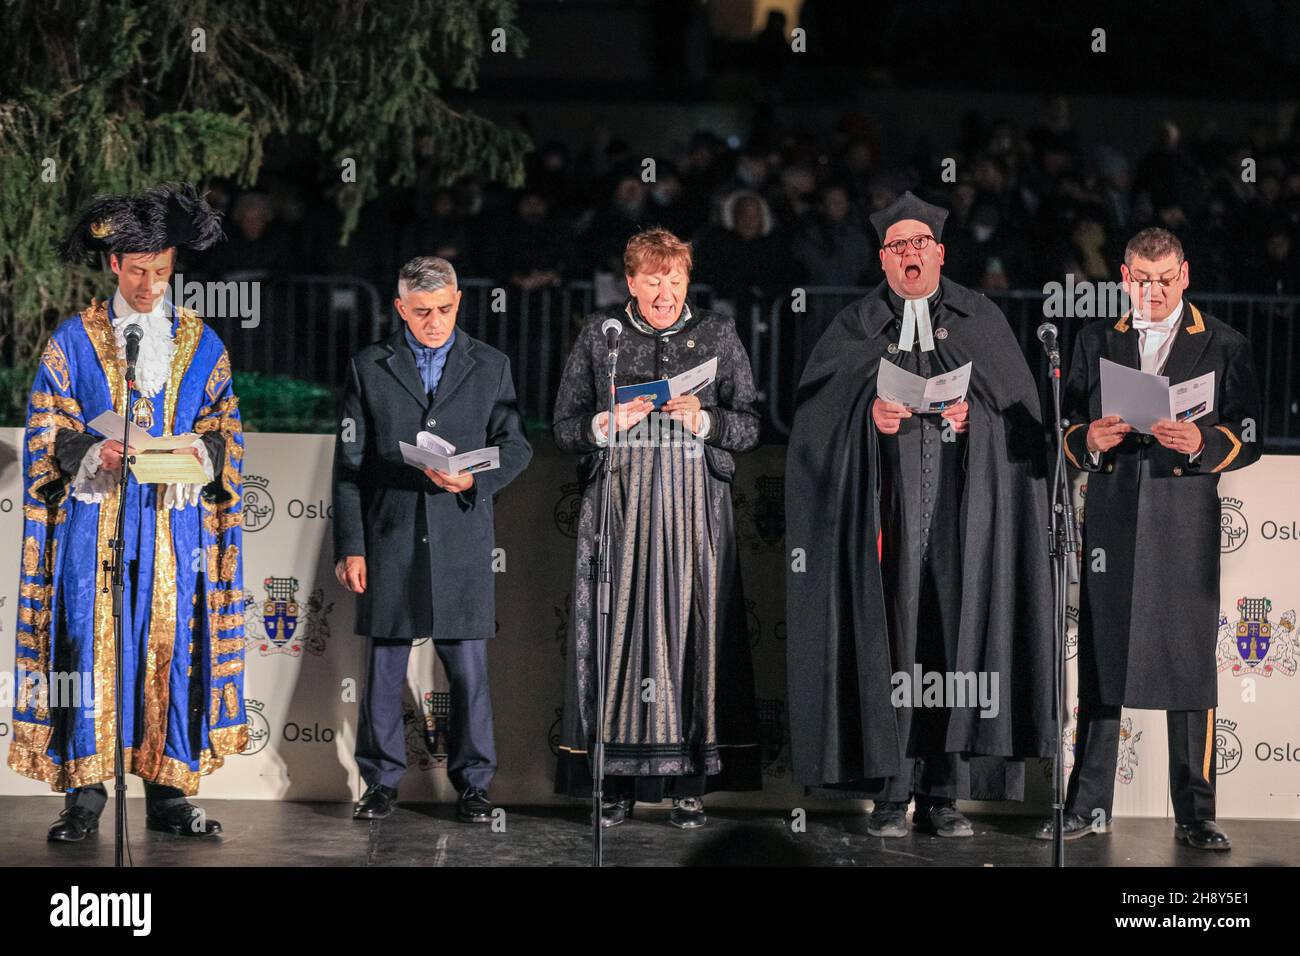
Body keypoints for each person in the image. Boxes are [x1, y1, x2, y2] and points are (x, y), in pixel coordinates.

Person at [785, 191, 1056, 838]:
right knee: (892, 645)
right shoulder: (856, 324)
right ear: (882, 258)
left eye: (920, 244)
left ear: (941, 253)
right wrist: (865, 416)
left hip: (963, 516)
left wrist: (978, 418)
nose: (911, 255)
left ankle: (943, 792)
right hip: (885, 517)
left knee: (952, 643)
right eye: (898, 246)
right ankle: (890, 788)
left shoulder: (979, 316)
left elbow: (1023, 421)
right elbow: (812, 422)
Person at [11, 182, 245, 841]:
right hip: (97, 522)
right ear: (114, 265)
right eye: (139, 272)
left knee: (168, 650)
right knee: (89, 649)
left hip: (171, 525)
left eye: (163, 272)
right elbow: (43, 433)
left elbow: (227, 428)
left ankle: (169, 796)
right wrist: (92, 448)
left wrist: (205, 449)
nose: (150, 286)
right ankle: (84, 798)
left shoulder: (202, 343)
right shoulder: (72, 341)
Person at [1036, 227, 1262, 851]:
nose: (1153, 292)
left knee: (1189, 665)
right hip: (1112, 508)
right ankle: (1088, 806)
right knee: (1105, 660)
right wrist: (1087, 439)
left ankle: (1195, 812)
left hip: (1184, 511)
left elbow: (1249, 434)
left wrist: (1202, 444)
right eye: (1141, 279)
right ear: (1125, 278)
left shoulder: (1224, 343)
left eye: (1164, 281)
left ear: (1184, 275)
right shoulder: (1095, 338)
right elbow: (1061, 425)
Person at [552, 227, 761, 828]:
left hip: (693, 507)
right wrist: (603, 423)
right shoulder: (603, 333)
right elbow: (563, 426)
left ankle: (688, 784)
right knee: (620, 637)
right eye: (652, 280)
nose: (664, 291)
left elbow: (750, 427)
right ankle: (615, 784)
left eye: (674, 279)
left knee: (692, 636)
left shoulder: (716, 333)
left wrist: (706, 419)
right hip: (619, 505)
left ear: (687, 281)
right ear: (631, 283)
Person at [333, 256, 531, 824]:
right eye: (422, 312)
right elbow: (349, 466)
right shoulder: (369, 365)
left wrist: (474, 478)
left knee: (468, 669)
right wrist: (352, 545)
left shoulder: (491, 365)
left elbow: (515, 446)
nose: (435, 321)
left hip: (461, 535)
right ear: (401, 309)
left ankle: (474, 785)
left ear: (458, 302)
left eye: (444, 309)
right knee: (386, 665)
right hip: (390, 533)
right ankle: (379, 782)